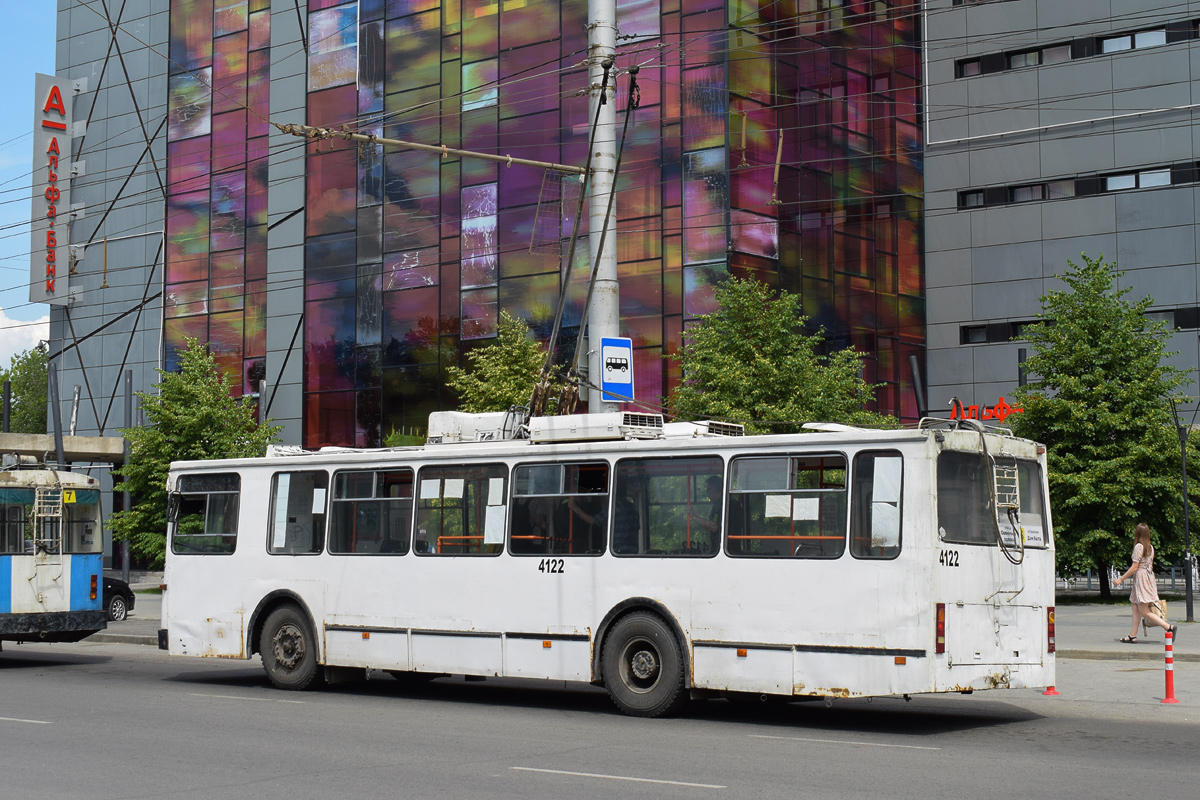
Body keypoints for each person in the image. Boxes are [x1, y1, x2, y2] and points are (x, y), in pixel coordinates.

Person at [1113, 522, 1178, 643]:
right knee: (1135, 607)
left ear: (1137, 533)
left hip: (1141, 578)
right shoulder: (1150, 547)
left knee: (1143, 610)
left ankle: (1168, 627)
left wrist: (1120, 579)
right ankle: (1132, 636)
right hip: (1148, 577)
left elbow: (1134, 567)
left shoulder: (1139, 547)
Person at [568, 477, 640, 554]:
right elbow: (637, 529)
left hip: (618, 550)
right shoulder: (632, 507)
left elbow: (593, 521)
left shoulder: (614, 507)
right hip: (633, 550)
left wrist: (574, 507)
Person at [687, 475, 725, 554]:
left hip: (721, 548)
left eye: (708, 490)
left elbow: (714, 526)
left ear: (716, 488)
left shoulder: (721, 505)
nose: (707, 493)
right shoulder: (720, 504)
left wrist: (693, 516)